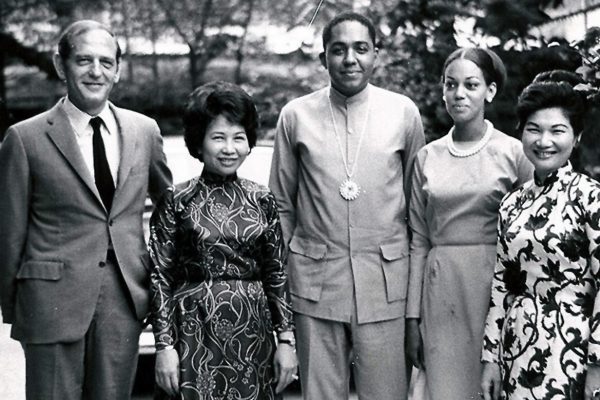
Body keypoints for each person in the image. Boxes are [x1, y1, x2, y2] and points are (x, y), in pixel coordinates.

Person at [0, 20, 172, 399]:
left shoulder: (144, 130)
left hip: (123, 299)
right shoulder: (24, 138)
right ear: (61, 66)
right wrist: (13, 307)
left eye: (106, 62)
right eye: (84, 60)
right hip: (50, 300)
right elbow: (9, 231)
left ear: (118, 69)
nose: (96, 71)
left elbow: (170, 207)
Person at [269, 11, 425, 400]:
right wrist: (287, 272)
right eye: (338, 50)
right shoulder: (295, 115)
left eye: (360, 49)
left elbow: (417, 207)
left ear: (377, 54)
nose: (349, 59)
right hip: (315, 281)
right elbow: (282, 205)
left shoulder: (403, 112)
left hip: (385, 282)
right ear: (323, 58)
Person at [149, 81, 298, 400]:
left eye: (238, 138)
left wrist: (286, 340)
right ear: (199, 142)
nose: (229, 148)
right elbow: (160, 275)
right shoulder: (177, 200)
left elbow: (276, 273)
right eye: (218, 137)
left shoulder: (262, 199)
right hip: (192, 332)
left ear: (249, 142)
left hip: (253, 334)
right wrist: (164, 345)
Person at [405, 47, 533, 400]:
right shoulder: (426, 158)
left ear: (490, 91)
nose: (459, 94)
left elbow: (529, 238)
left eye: (471, 85)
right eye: (451, 85)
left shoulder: (515, 154)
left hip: (495, 289)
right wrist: (411, 318)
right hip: (440, 288)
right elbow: (418, 240)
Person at [480, 70, 600, 400]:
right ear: (521, 133)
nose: (544, 141)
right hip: (517, 344)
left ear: (576, 137)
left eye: (557, 131)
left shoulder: (591, 197)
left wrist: (597, 365)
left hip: (574, 348)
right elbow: (502, 283)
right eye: (534, 129)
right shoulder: (512, 203)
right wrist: (490, 359)